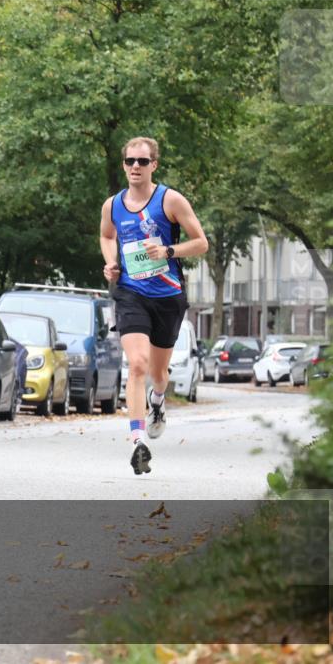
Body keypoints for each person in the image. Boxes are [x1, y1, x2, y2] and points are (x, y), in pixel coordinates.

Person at [99, 137, 208, 475]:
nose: (135, 166)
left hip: (168, 296)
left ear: (153, 165)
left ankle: (157, 401)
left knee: (158, 374)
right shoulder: (112, 205)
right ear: (123, 165)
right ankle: (137, 441)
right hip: (131, 293)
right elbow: (106, 236)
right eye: (130, 160)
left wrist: (170, 252)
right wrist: (111, 262)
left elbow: (201, 243)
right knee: (137, 365)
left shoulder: (170, 200)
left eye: (142, 161)